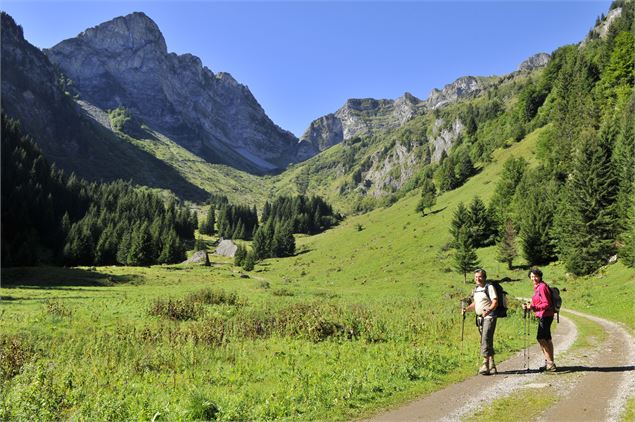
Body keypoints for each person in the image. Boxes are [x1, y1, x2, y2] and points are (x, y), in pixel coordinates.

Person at [462, 268, 499, 375]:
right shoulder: (476, 289)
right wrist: (466, 309)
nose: (478, 279)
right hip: (480, 318)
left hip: (489, 317)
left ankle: (485, 364)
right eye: (476, 277)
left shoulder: (489, 287)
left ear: (484, 277)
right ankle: (492, 366)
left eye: (480, 277)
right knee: (487, 340)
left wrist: (488, 310)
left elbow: (495, 301)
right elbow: (475, 304)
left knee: (485, 339)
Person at [523, 268, 556, 372]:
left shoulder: (542, 287)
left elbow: (546, 303)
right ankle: (549, 363)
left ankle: (550, 363)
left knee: (541, 338)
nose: (534, 278)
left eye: (536, 276)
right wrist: (531, 305)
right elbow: (540, 301)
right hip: (545, 315)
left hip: (546, 315)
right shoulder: (538, 287)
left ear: (540, 276)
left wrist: (533, 308)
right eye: (532, 276)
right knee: (547, 339)